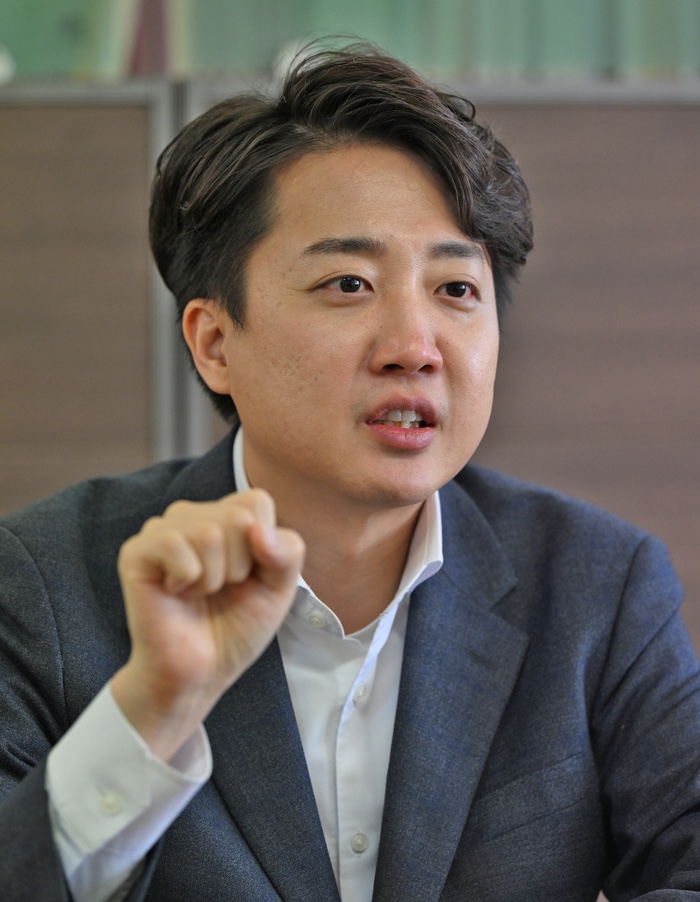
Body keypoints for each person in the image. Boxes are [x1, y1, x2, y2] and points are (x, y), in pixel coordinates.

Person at [1, 44, 700, 902]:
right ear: (215, 343)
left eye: (455, 290)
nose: (414, 347)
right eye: (348, 283)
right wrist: (149, 713)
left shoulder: (598, 586)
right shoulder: (41, 585)